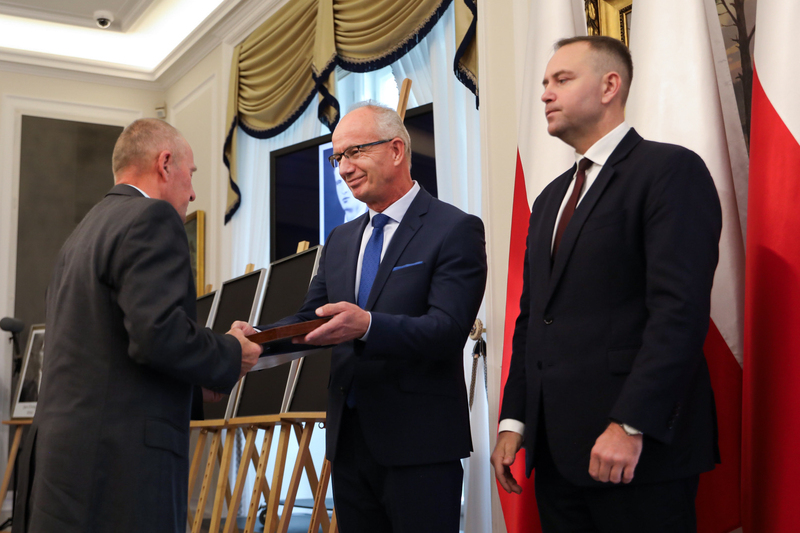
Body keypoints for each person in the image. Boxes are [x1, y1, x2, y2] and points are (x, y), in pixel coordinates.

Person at [491, 36, 722, 532]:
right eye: (545, 83)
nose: (545, 94)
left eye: (562, 80)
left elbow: (678, 313)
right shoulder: (551, 198)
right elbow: (535, 318)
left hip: (637, 453)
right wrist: (514, 419)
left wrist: (629, 422)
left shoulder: (669, 171)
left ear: (609, 86)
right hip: (556, 455)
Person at [238, 102, 487, 533]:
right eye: (337, 158)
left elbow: (446, 330)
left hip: (419, 449)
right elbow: (312, 319)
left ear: (395, 150)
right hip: (349, 446)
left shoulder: (454, 229)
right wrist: (258, 338)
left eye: (354, 153)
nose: (343, 168)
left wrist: (368, 325)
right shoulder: (339, 239)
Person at [13, 118, 262, 533]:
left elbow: (108, 351)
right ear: (165, 163)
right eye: (192, 173)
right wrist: (231, 351)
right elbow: (158, 334)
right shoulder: (153, 218)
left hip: (62, 467)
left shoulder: (82, 233)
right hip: (118, 470)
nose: (194, 191)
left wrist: (197, 384)